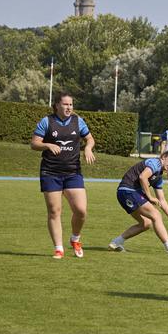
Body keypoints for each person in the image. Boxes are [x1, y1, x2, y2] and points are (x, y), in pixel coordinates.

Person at [31, 93, 96, 259]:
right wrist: (47, 145)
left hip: (73, 172)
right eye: (66, 104)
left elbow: (90, 139)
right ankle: (58, 248)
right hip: (50, 172)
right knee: (54, 211)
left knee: (81, 211)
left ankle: (75, 239)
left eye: (71, 104)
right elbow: (34, 143)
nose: (69, 107)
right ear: (57, 105)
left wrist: (88, 148)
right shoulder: (47, 121)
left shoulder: (78, 121)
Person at [109, 150, 168, 255]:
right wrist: (150, 197)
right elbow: (143, 177)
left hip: (125, 193)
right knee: (156, 215)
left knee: (146, 223)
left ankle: (116, 242)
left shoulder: (158, 177)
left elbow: (162, 200)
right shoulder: (155, 163)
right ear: (164, 157)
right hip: (128, 191)